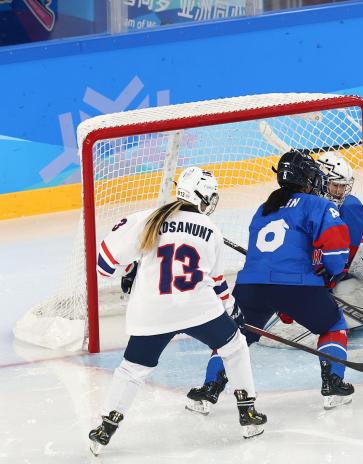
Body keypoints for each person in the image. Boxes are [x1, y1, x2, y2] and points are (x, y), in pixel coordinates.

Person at [88, 167, 266, 455]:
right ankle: (248, 412)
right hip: (198, 309)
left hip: (152, 311)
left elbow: (104, 265)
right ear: (203, 197)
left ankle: (105, 428)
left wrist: (132, 267)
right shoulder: (212, 231)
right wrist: (233, 310)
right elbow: (217, 282)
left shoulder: (147, 218)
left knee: (132, 370)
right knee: (234, 346)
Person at [186, 150, 355, 412]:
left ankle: (208, 390)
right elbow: (334, 252)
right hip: (298, 286)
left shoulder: (264, 208)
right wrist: (330, 274)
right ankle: (333, 385)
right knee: (333, 324)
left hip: (251, 287)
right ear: (308, 178)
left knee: (234, 337)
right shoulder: (319, 205)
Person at [259, 152, 363, 349]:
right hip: (314, 267)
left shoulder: (349, 207)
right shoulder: (305, 204)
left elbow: (346, 256)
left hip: (344, 267)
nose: (339, 191)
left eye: (343, 186)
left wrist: (325, 280)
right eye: (335, 185)